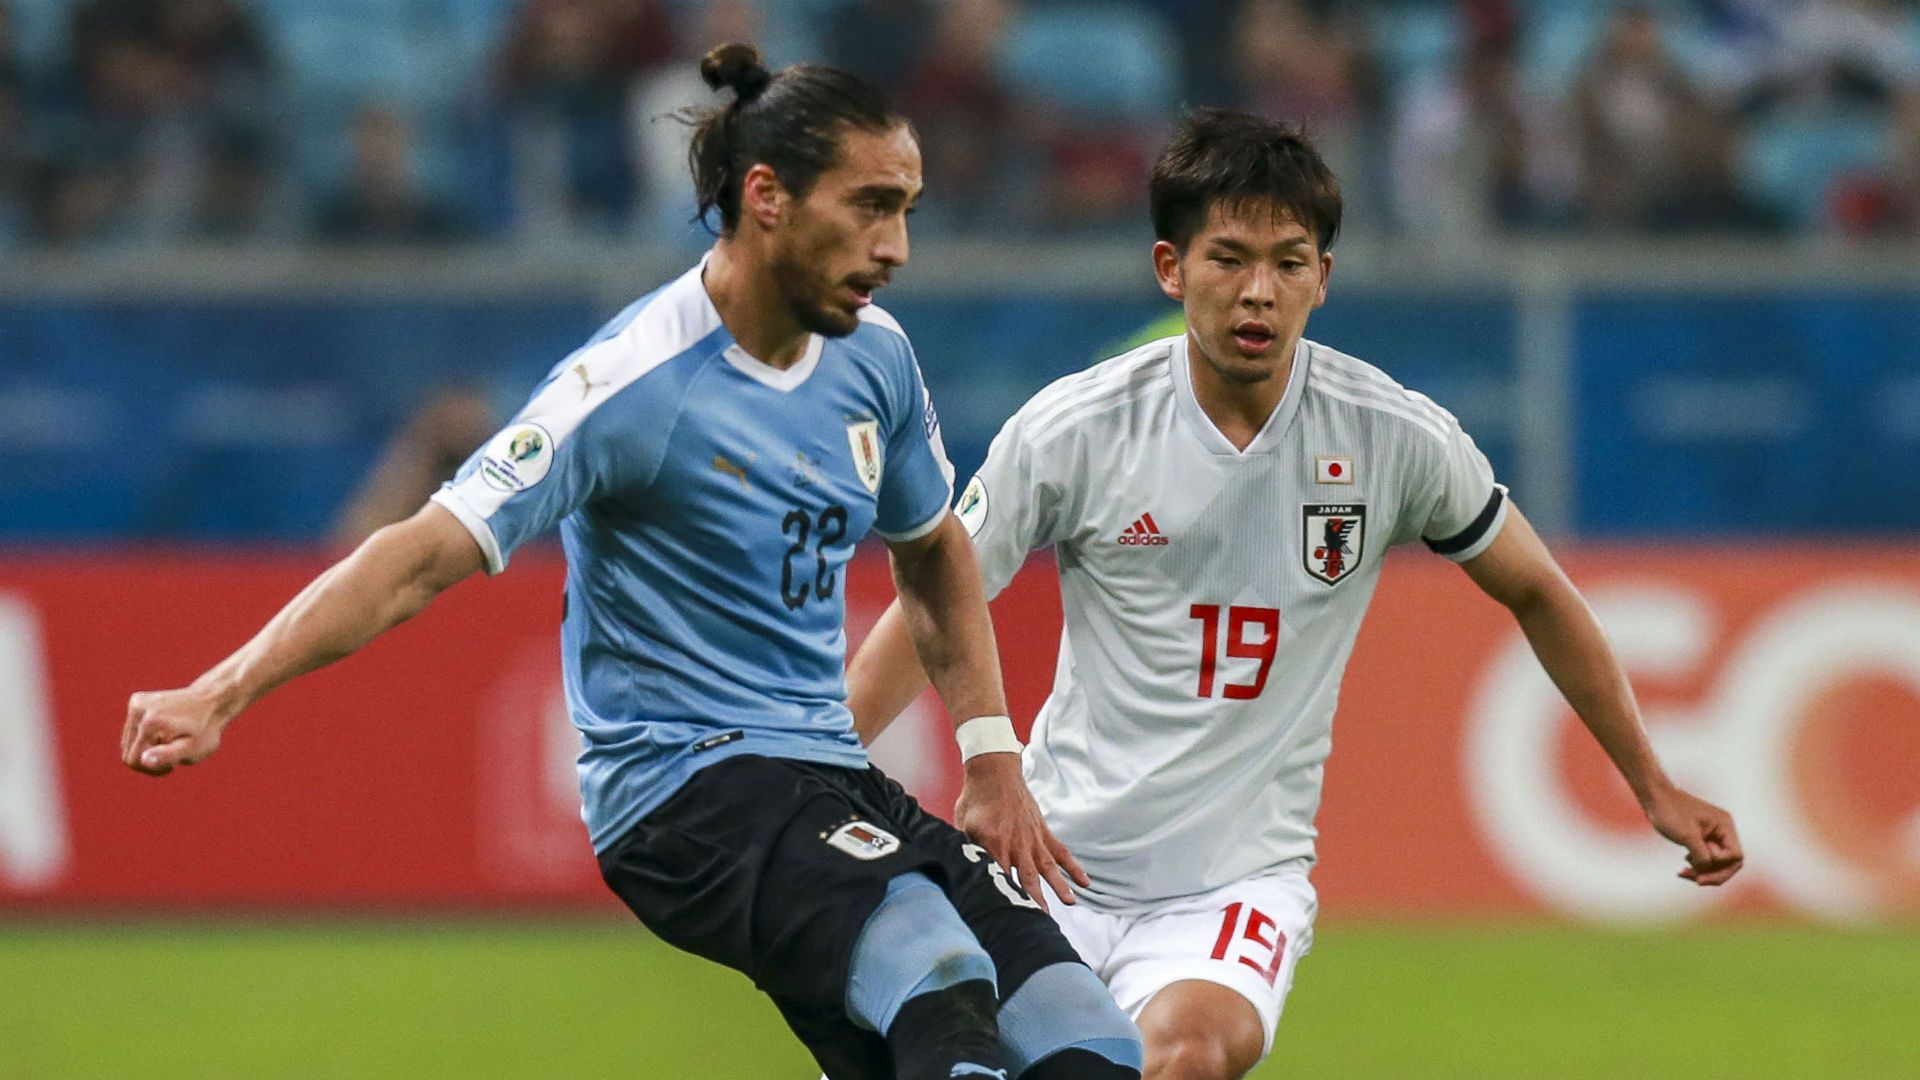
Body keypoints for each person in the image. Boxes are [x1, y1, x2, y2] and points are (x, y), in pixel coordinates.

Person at [121, 43, 1142, 1080]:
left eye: (908, 210)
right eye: (872, 207)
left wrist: (988, 752)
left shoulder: (874, 356)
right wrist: (223, 687)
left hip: (826, 777)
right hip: (682, 794)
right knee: (932, 965)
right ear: (768, 197)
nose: (898, 248)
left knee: (1083, 1034)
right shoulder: (634, 387)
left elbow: (933, 554)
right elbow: (423, 553)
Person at [846, 109, 1745, 1080]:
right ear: (1170, 267)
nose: (1258, 292)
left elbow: (1538, 590)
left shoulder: (1394, 438)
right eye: (1228, 258)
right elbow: (938, 595)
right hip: (1049, 863)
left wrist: (1649, 783)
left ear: (1324, 277)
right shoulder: (1078, 429)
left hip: (1233, 888)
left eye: (1288, 261)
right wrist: (819, 769)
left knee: (1185, 1055)